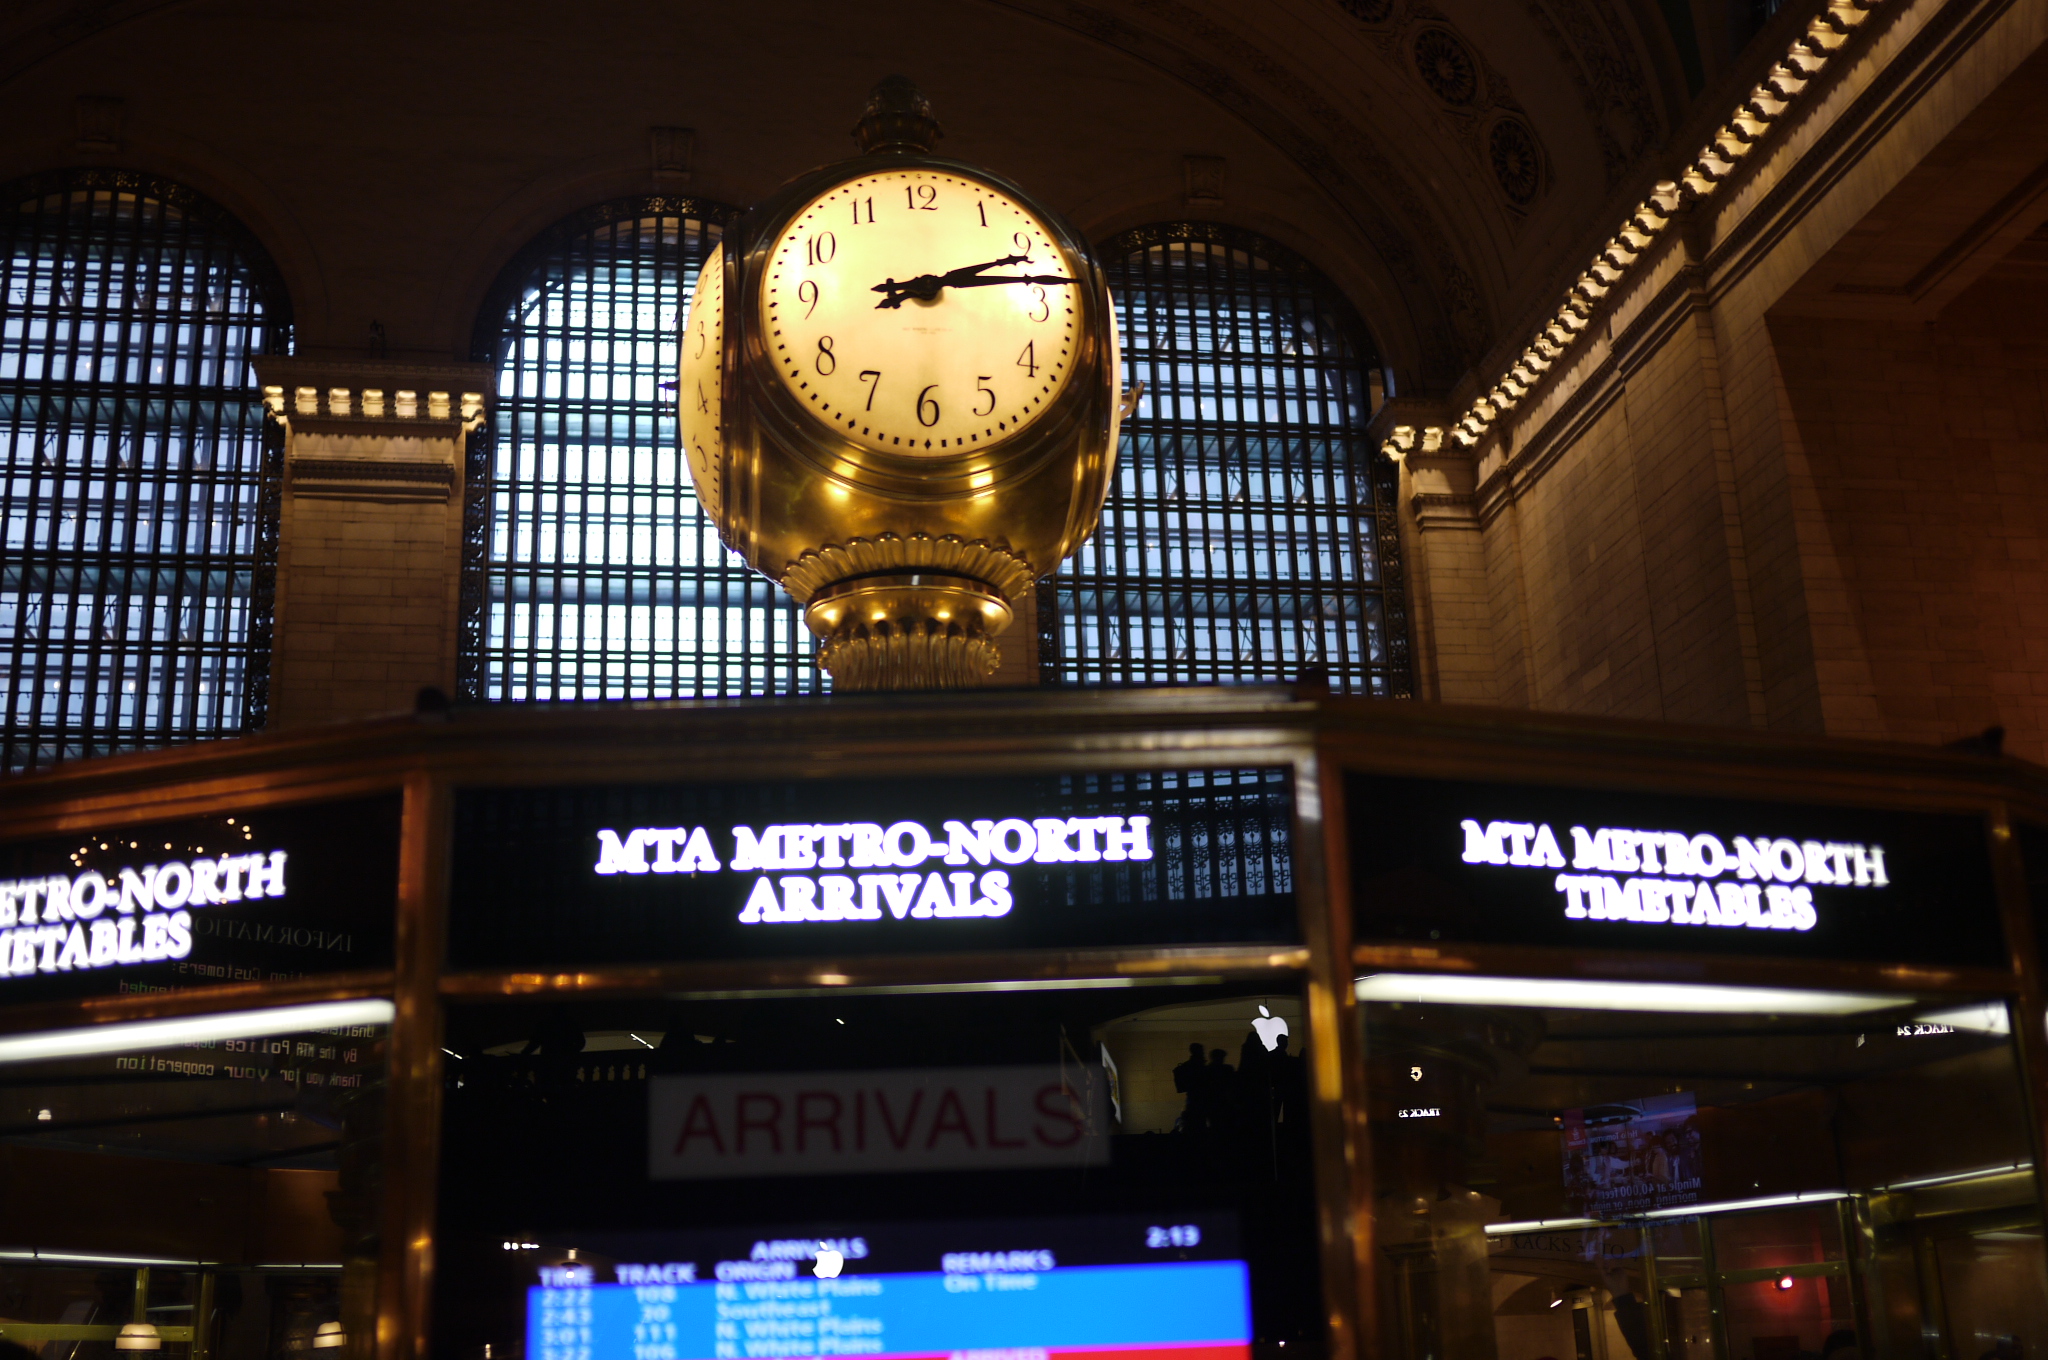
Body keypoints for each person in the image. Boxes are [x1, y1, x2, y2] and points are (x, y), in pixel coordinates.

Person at [1172, 1042, 1206, 1132]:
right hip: (1199, 1099)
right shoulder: (1199, 1065)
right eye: (1202, 1050)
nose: (1203, 1052)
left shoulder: (1188, 1065)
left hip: (1192, 1098)